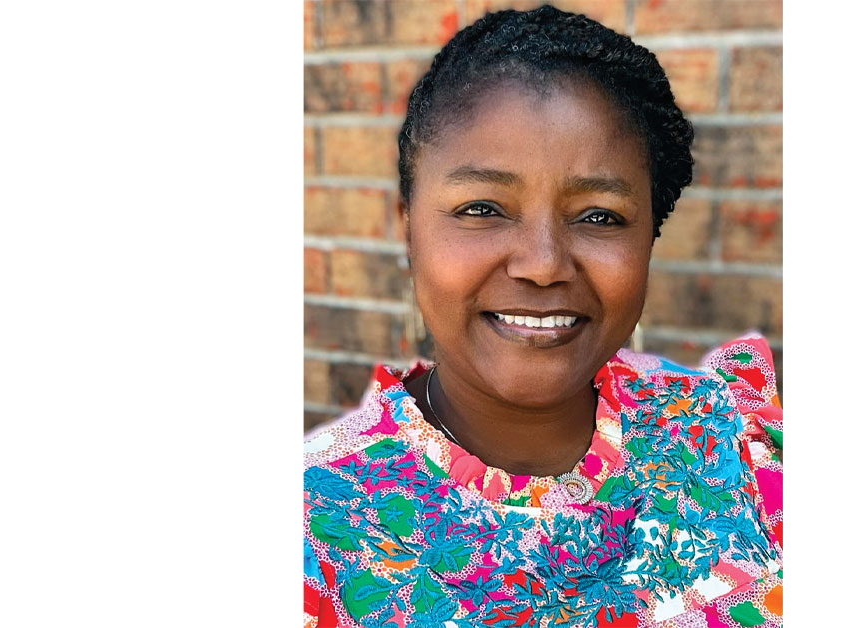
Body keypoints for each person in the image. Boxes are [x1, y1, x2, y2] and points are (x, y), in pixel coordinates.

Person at [303, 6, 783, 626]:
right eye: (482, 208)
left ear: (647, 241)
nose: (543, 264)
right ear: (409, 229)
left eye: (599, 216)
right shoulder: (315, 532)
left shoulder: (732, 433)